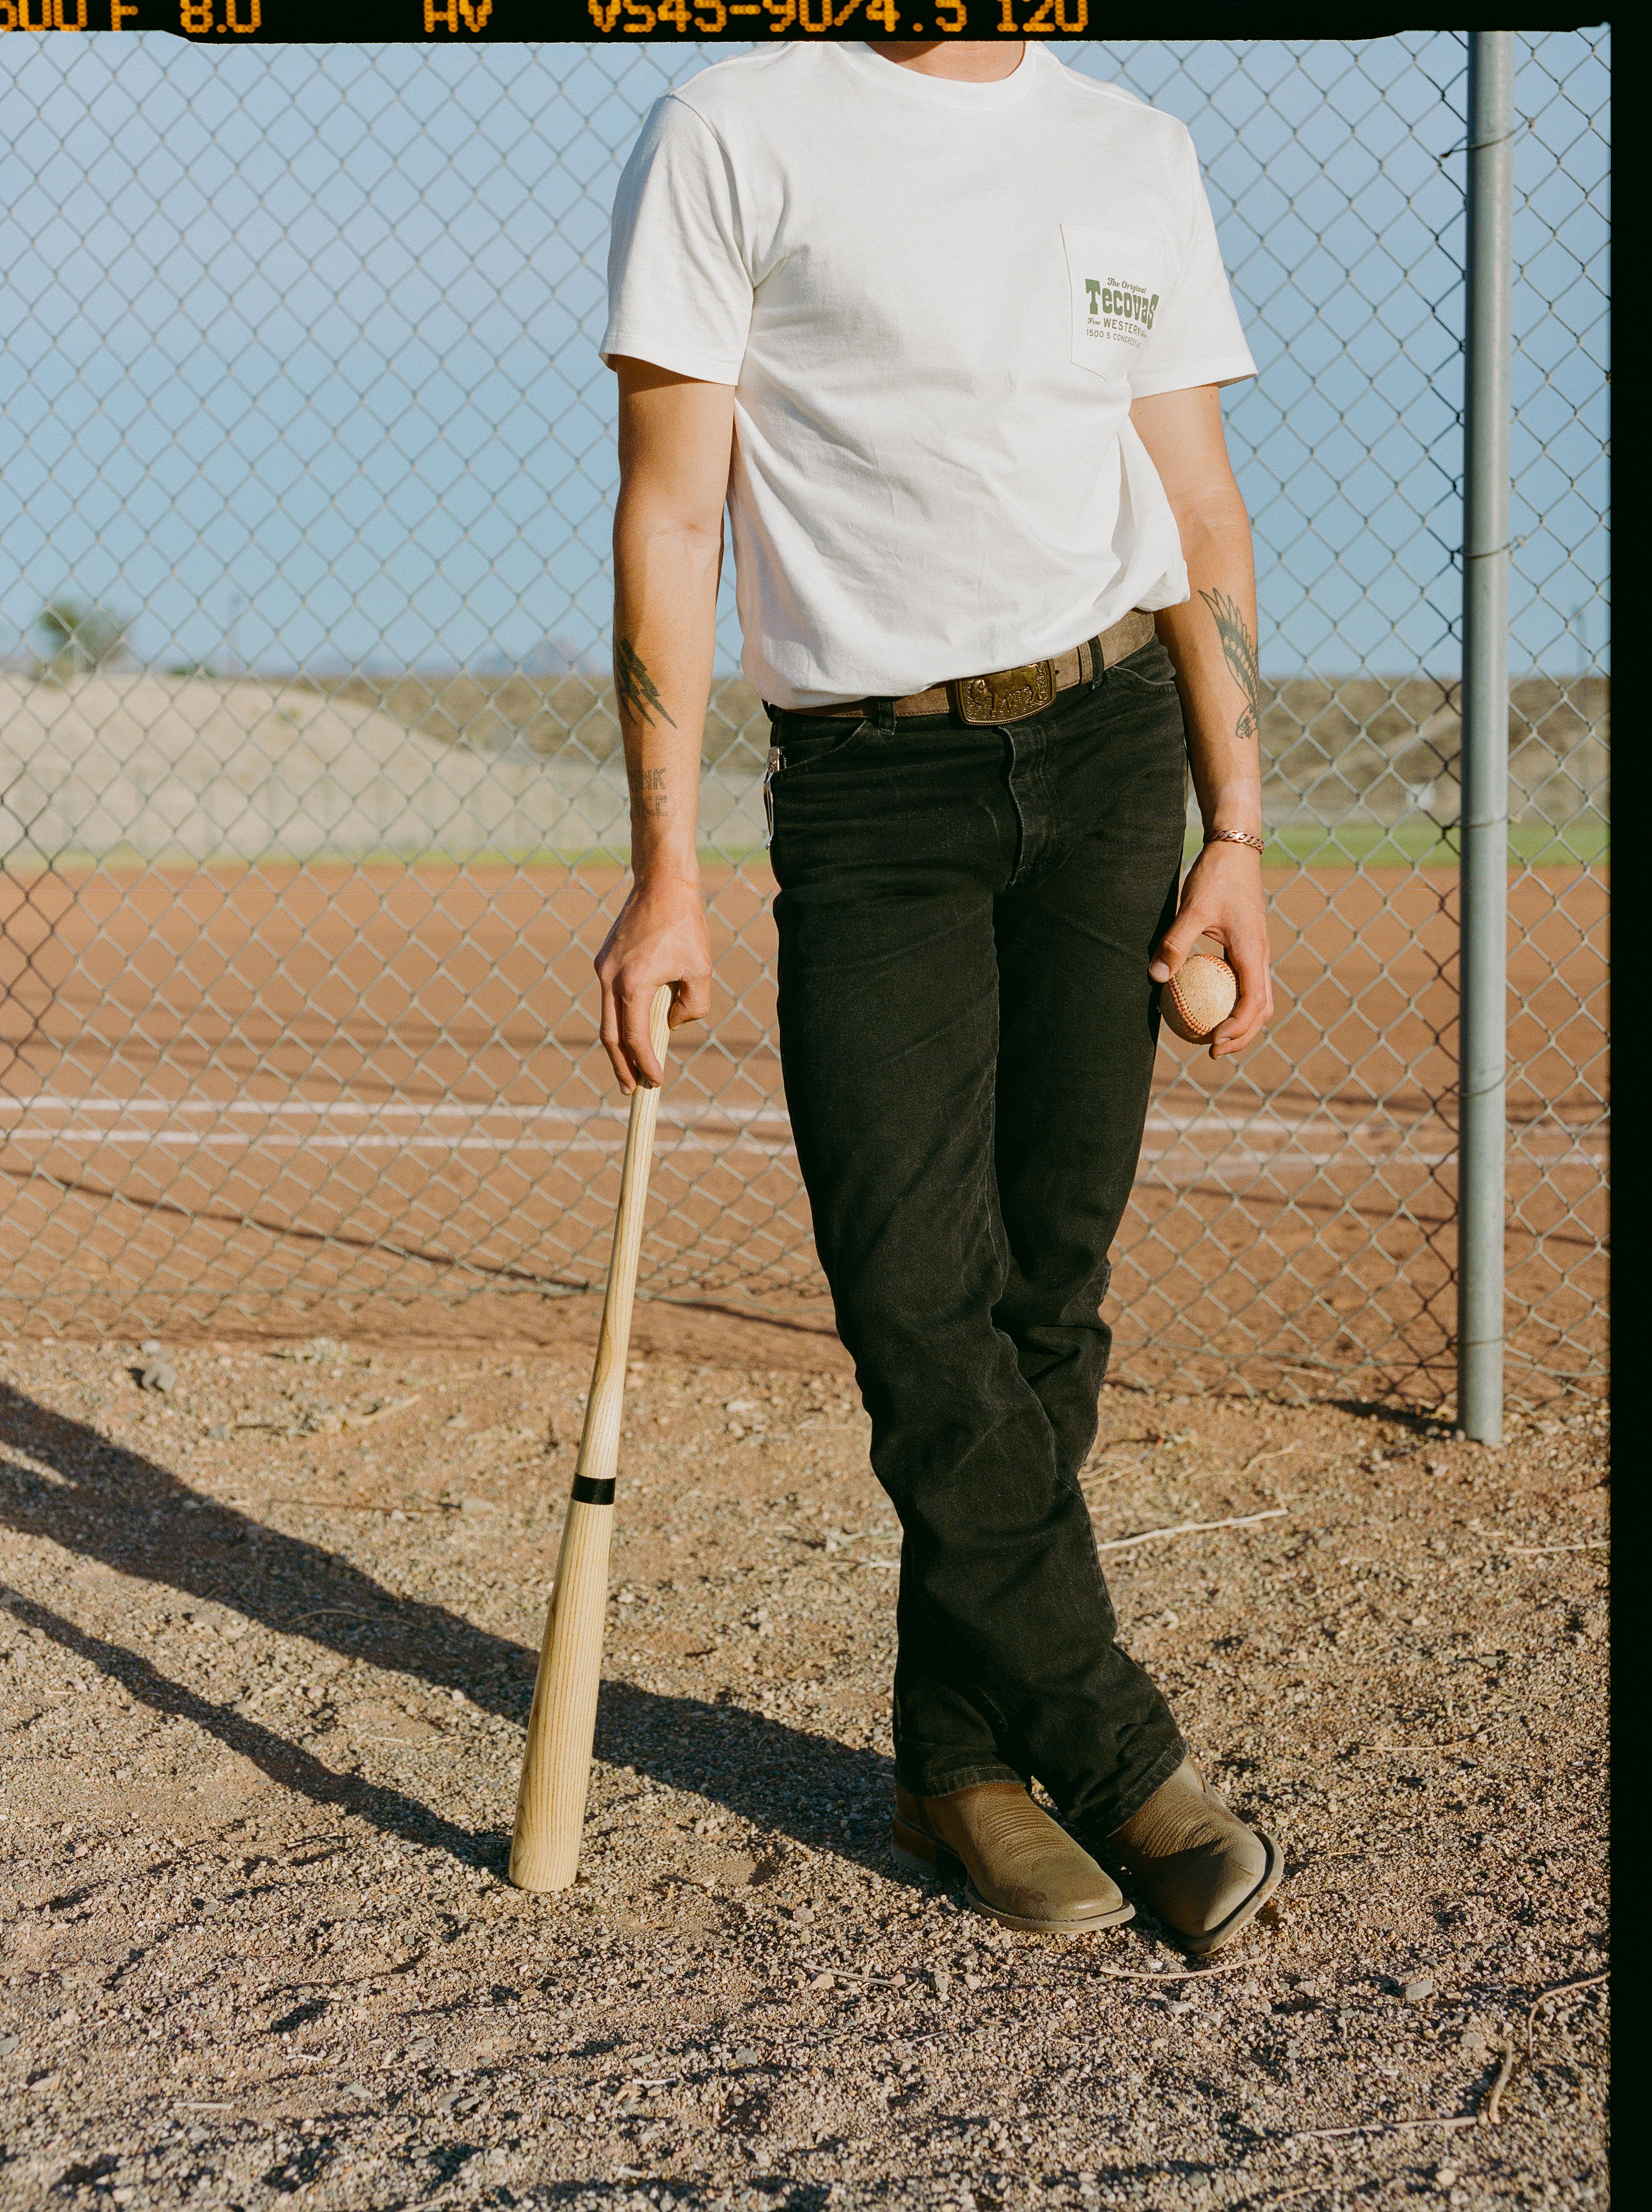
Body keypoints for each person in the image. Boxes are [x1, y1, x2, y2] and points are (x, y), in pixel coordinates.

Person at [591, 35, 1282, 1954]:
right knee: (913, 1293)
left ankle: (959, 1769)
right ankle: (1111, 1741)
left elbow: (1197, 509)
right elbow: (668, 513)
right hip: (870, 789)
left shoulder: (1130, 146)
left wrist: (1233, 832)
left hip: (1110, 751)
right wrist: (666, 872)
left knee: (1042, 1285)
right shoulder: (728, 123)